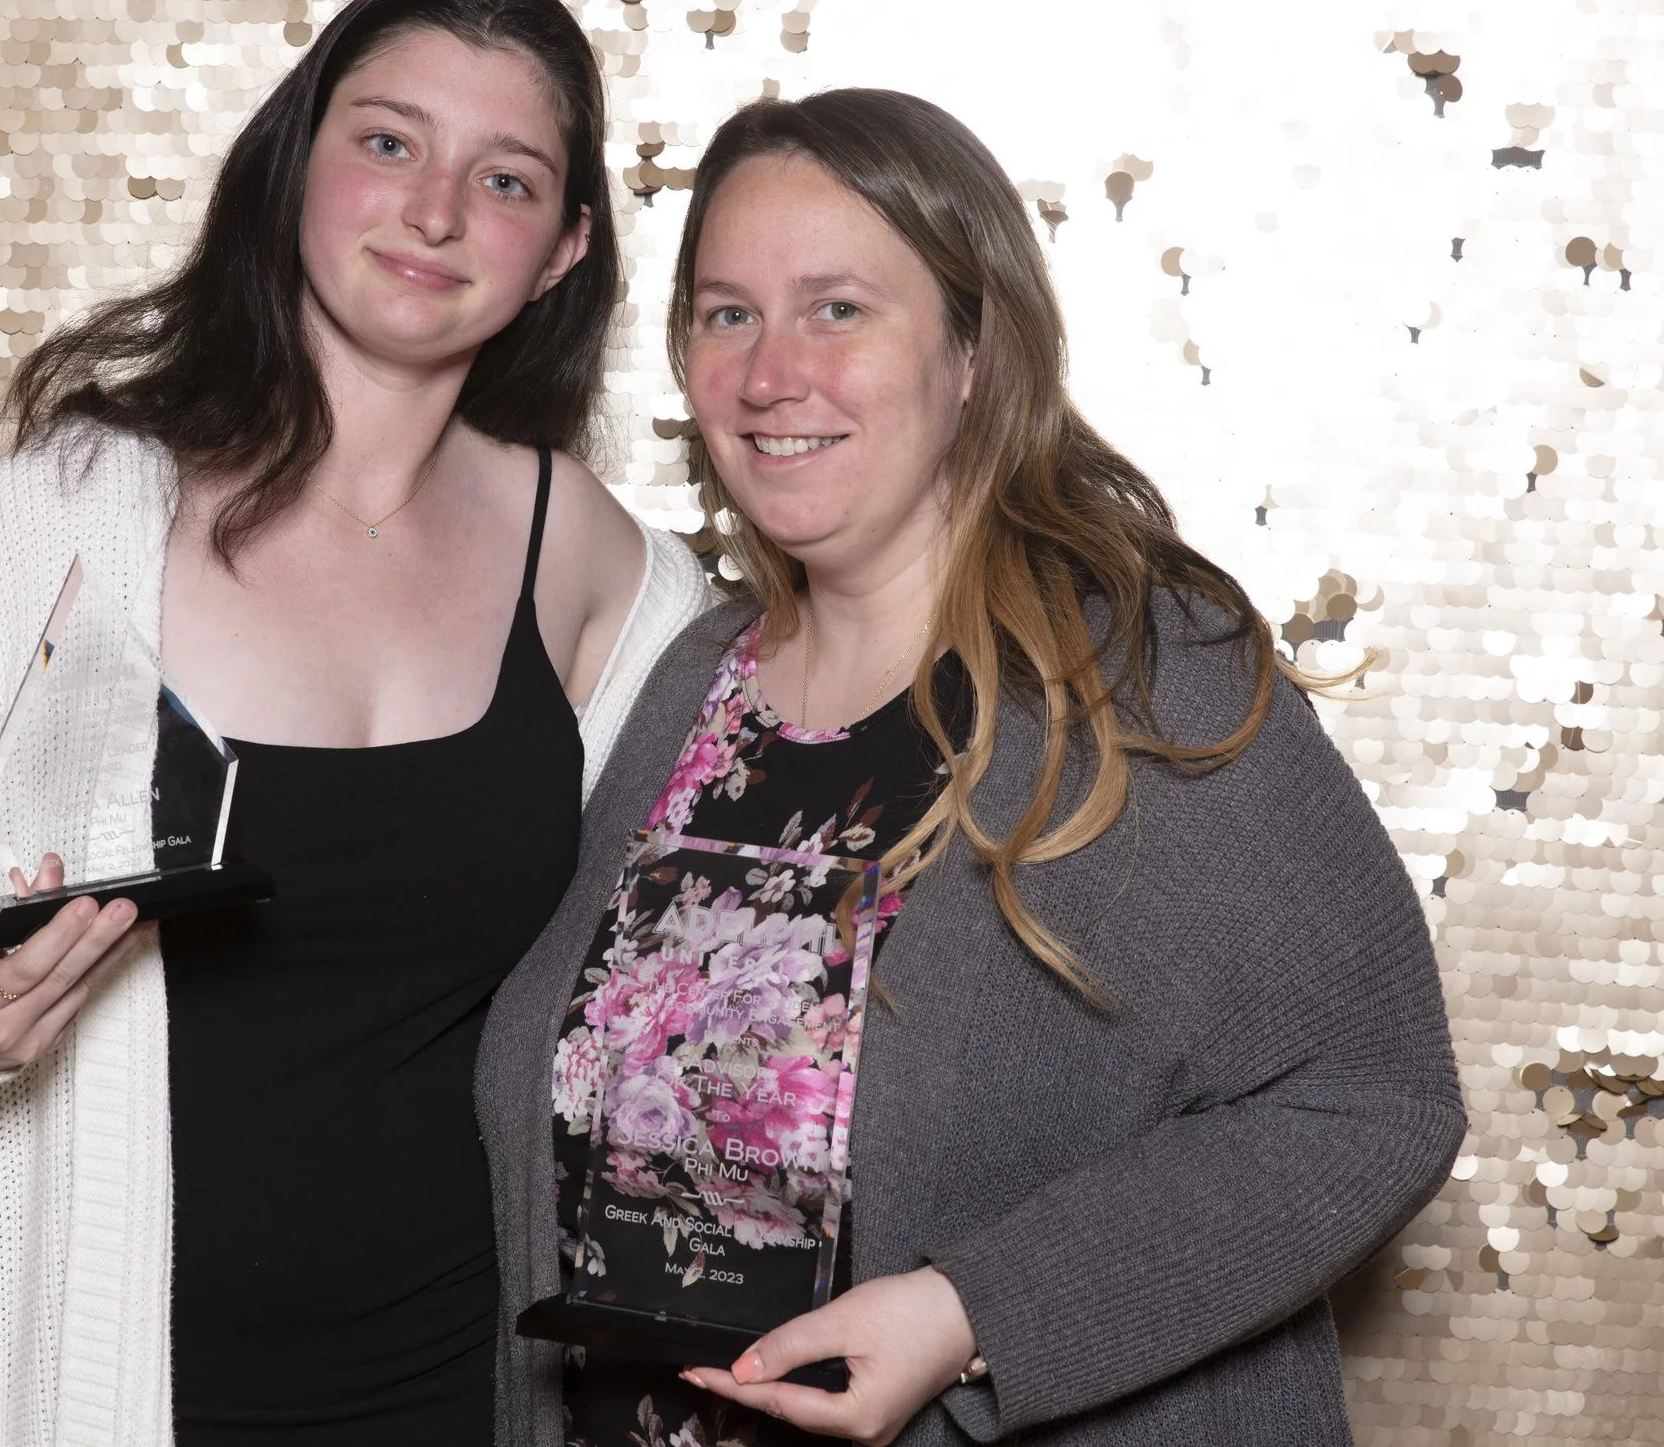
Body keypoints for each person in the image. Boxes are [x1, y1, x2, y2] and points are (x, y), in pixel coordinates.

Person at [0, 0, 711, 1447]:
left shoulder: (600, 567)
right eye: (387, 142)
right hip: (89, 1391)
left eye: (503, 179)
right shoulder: (66, 520)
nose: (434, 210)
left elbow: (731, 923)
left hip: (468, 1392)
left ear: (563, 249)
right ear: (292, 161)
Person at [478, 89, 1465, 1447]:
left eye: (838, 308)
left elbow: (1371, 1096)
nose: (773, 373)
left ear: (972, 350)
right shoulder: (689, 683)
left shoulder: (1144, 678)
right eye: (728, 313)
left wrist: (967, 1312)